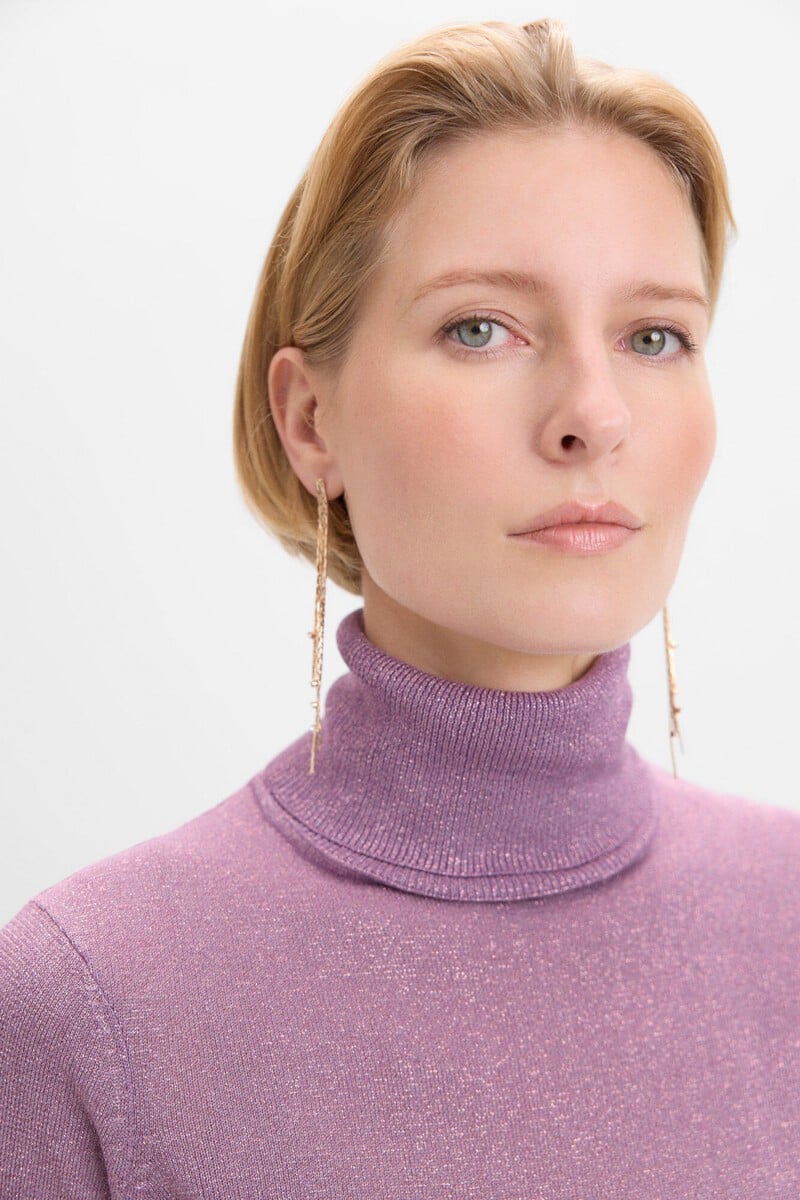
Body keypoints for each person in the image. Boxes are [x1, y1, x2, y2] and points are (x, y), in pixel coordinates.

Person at [1, 17, 798, 1197]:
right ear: (308, 420)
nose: (592, 414)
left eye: (652, 335)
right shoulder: (93, 1000)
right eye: (480, 328)